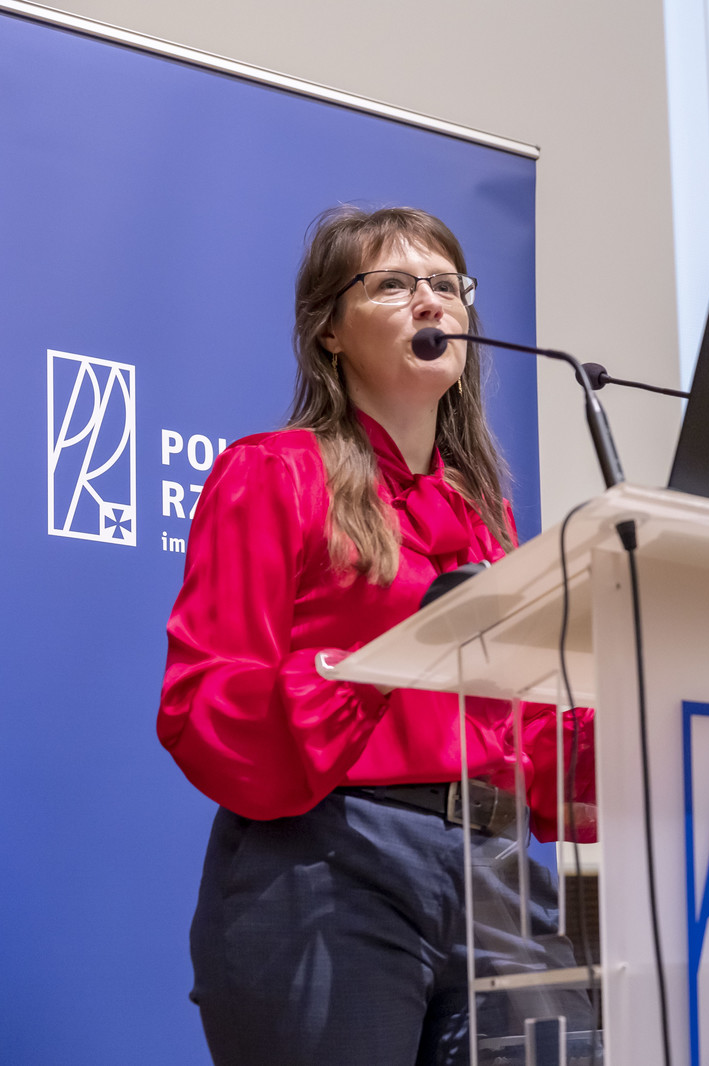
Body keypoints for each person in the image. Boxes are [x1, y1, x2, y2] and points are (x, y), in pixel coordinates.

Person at [157, 205, 593, 1065]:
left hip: (498, 870)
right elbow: (205, 698)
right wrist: (370, 669)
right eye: (393, 285)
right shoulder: (273, 472)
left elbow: (515, 729)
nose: (431, 302)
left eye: (447, 286)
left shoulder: (485, 513)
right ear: (329, 330)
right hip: (332, 863)